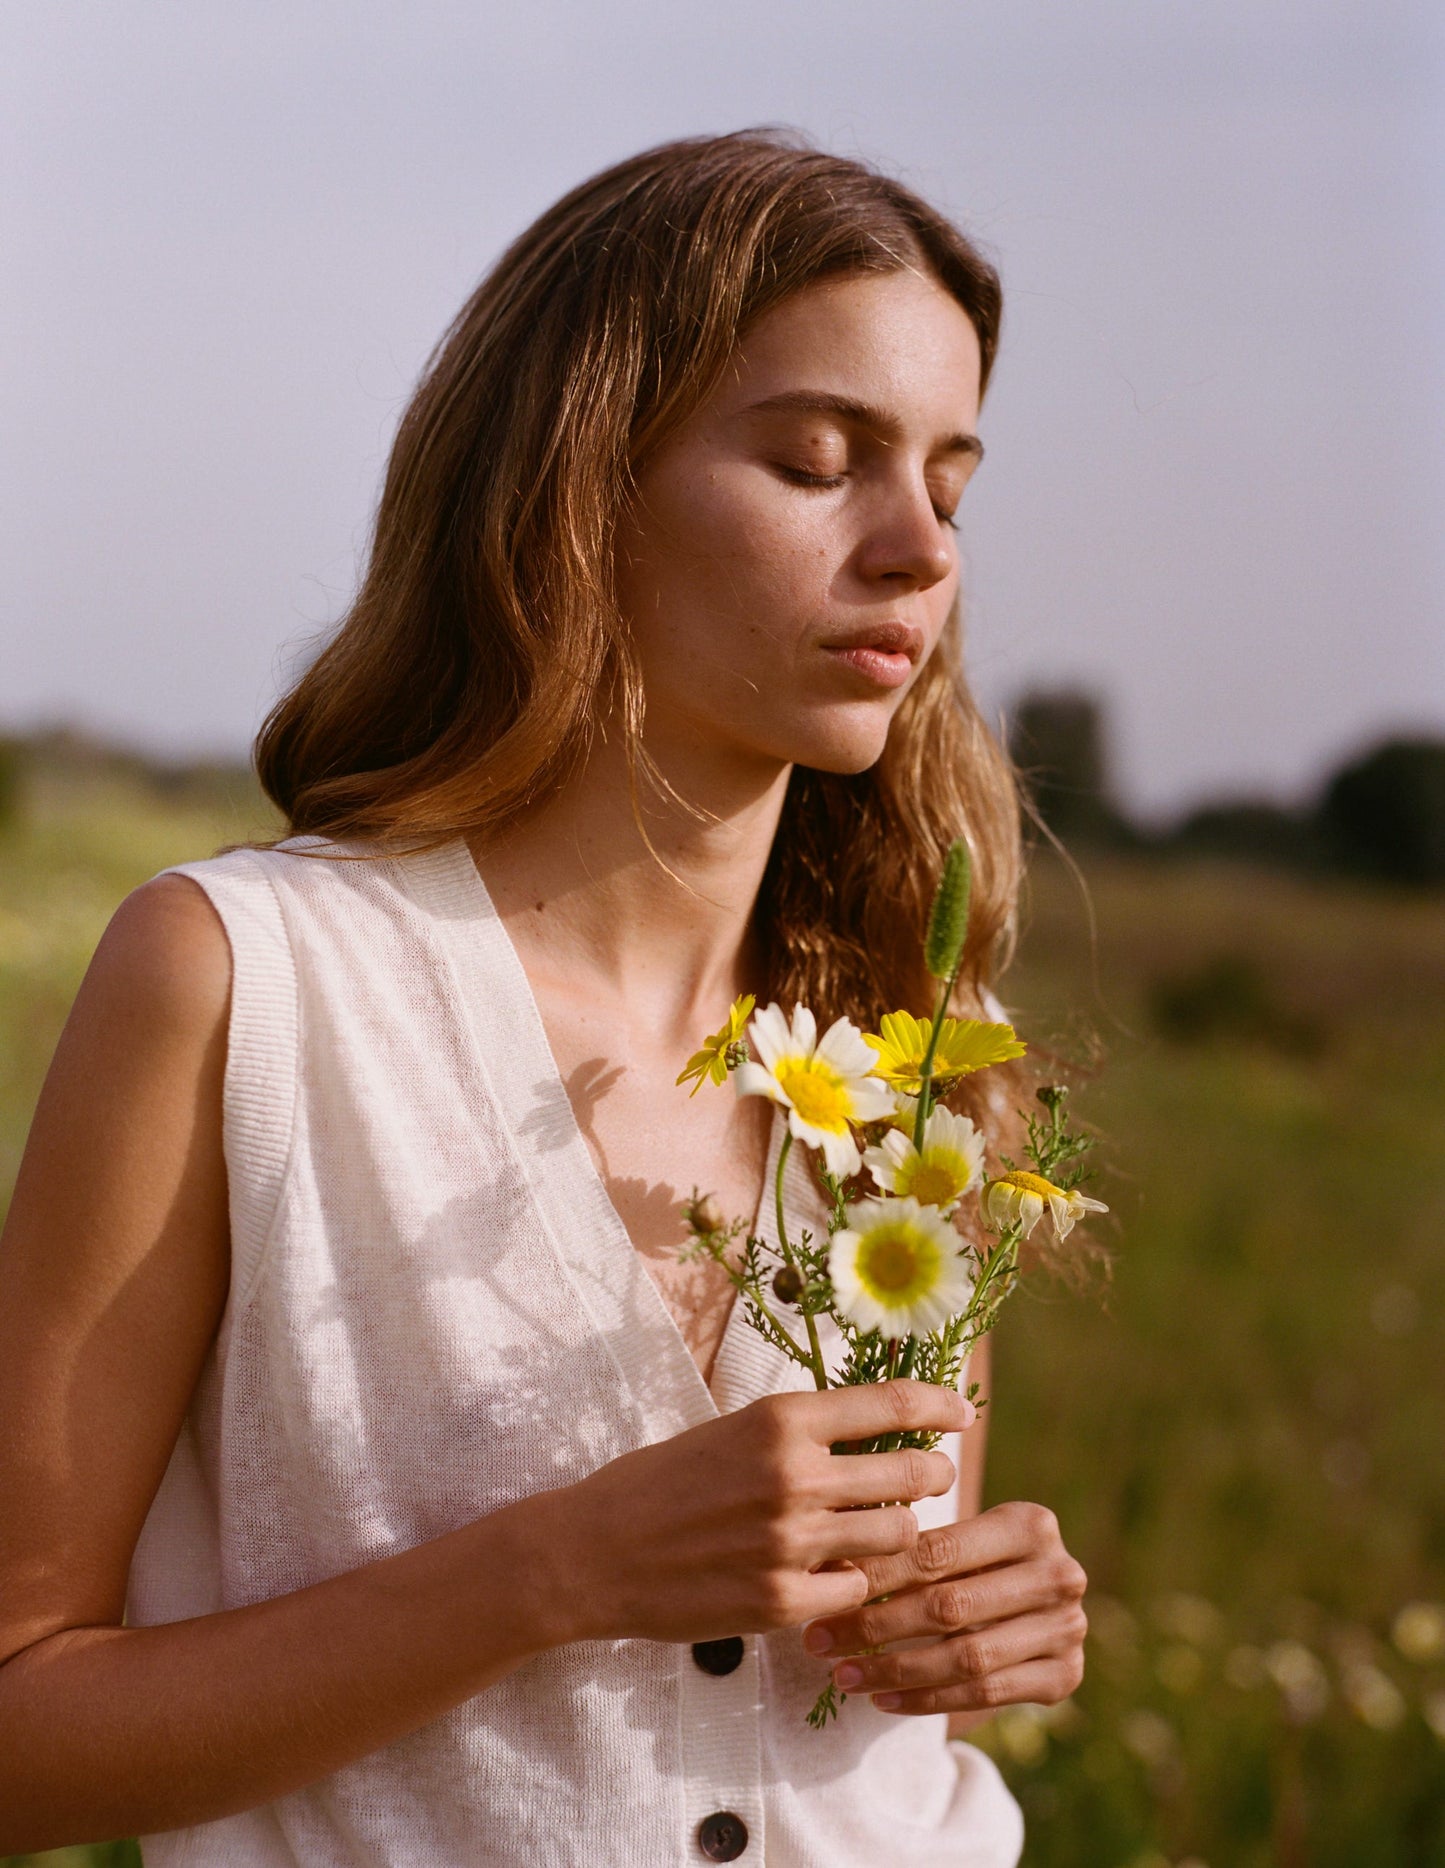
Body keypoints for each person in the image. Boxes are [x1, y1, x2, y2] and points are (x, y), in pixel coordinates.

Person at [0, 131, 1087, 1866]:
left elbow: (852, 1706)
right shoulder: (247, 985)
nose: (915, 549)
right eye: (816, 462)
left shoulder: (913, 1061)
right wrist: (553, 1572)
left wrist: (966, 1627)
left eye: (949, 489)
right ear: (577, 482)